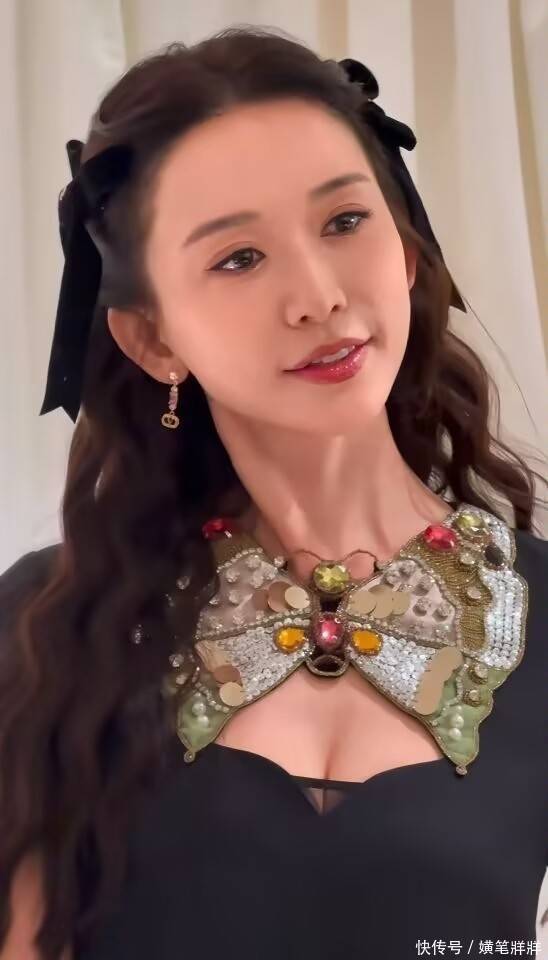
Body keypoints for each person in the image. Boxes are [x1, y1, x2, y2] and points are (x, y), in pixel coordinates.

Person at [0, 25, 546, 960]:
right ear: (152, 338)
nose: (319, 295)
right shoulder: (44, 631)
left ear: (406, 251)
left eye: (344, 221)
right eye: (238, 258)